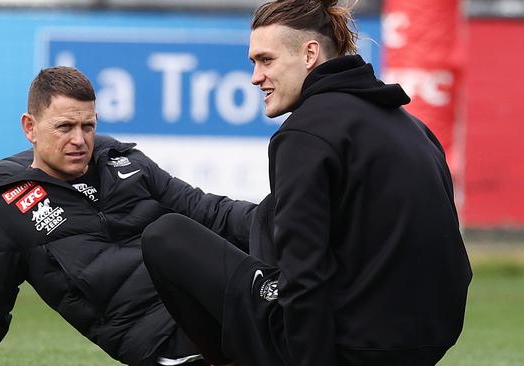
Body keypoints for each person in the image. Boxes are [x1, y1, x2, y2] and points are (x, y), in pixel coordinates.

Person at [141, 1, 473, 365]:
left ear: (310, 53)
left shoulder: (306, 132)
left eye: (265, 60)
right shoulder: (413, 128)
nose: (255, 77)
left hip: (350, 348)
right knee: (268, 220)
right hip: (423, 345)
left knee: (167, 236)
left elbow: (303, 272)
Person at [0, 66, 256, 366]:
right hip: (174, 349)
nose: (79, 140)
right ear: (30, 127)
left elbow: (208, 211)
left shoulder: (124, 162)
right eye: (65, 127)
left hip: (229, 310)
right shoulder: (3, 211)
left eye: (87, 126)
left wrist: (280, 220)